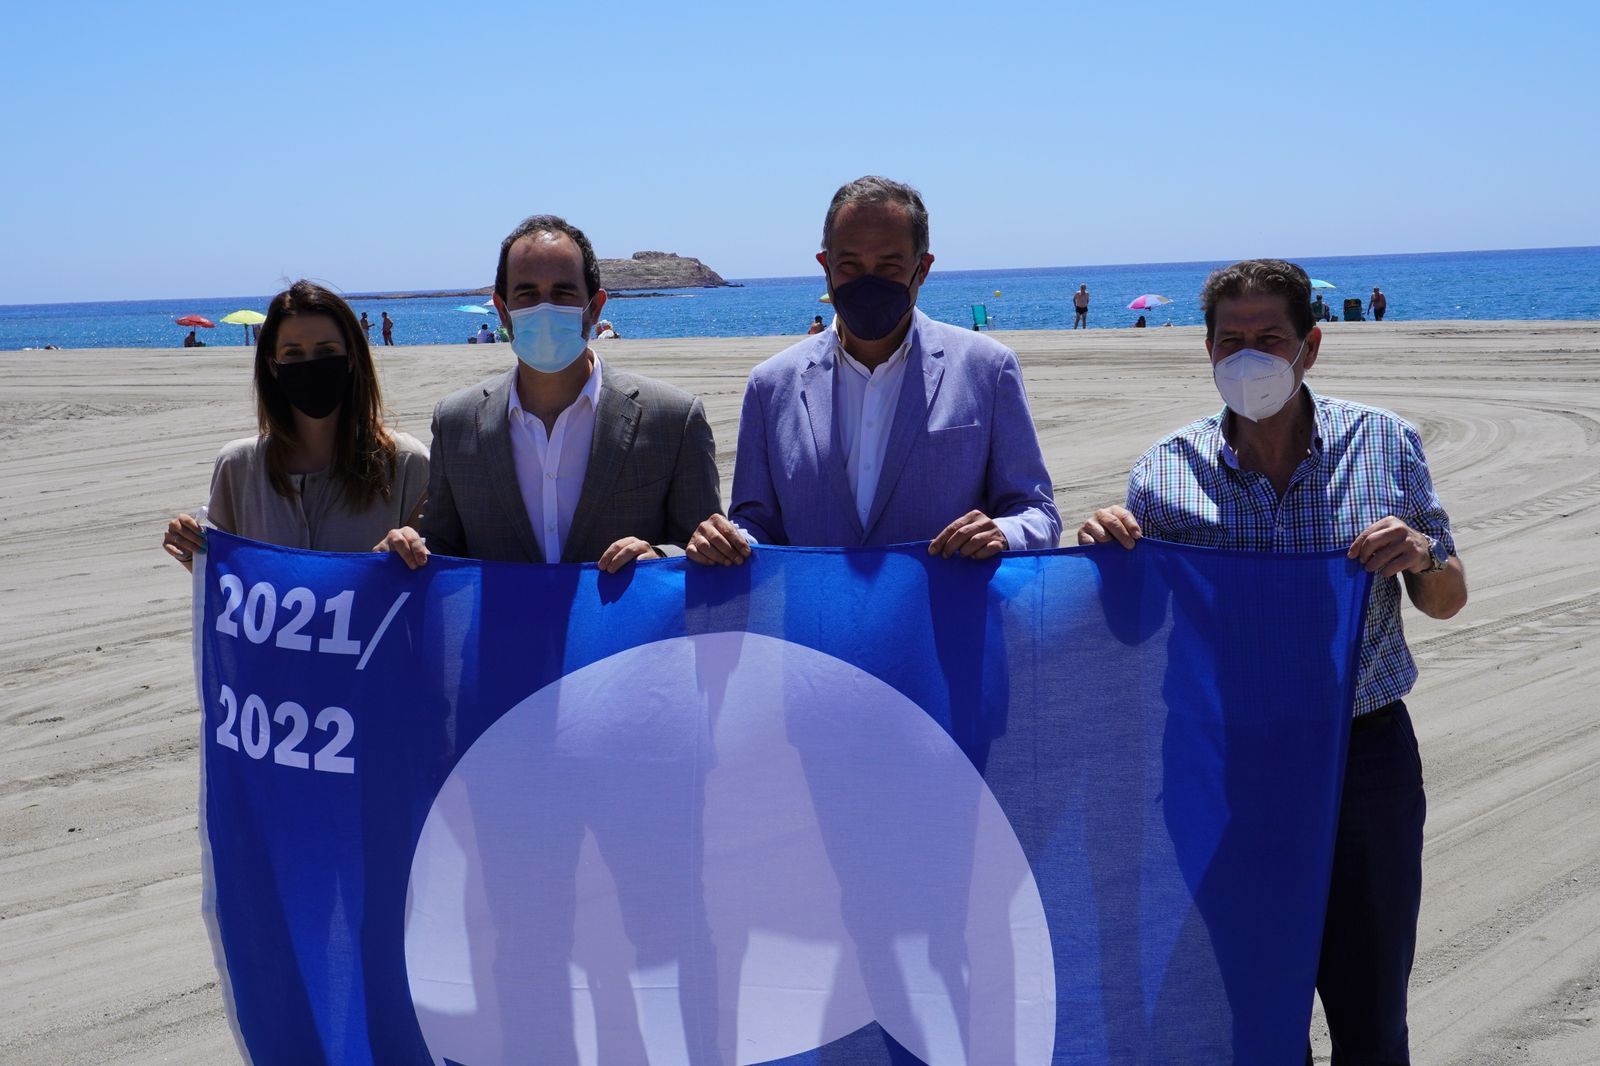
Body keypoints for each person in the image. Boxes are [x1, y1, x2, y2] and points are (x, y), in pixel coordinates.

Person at [1077, 258, 1467, 1064]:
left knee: (1371, 1011)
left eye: (1269, 339)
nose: (1248, 357)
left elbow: (1448, 598)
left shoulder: (1384, 445)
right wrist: (1107, 555)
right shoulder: (1163, 470)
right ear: (1207, 350)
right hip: (1225, 763)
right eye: (1231, 341)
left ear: (1310, 347)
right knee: (1243, 1011)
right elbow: (1131, 631)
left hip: (1363, 758)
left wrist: (1423, 553)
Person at [687, 174, 1060, 566]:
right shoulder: (770, 385)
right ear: (825, 265)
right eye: (849, 265)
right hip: (813, 624)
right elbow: (756, 524)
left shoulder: (988, 368)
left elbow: (1038, 514)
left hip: (945, 623)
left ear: (923, 268)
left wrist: (1003, 533)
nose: (868, 282)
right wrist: (725, 542)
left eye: (888, 266)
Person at [379, 214, 721, 574]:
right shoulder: (456, 422)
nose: (544, 308)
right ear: (503, 311)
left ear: (595, 308)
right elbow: (444, 548)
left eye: (563, 292)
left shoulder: (674, 418)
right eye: (527, 294)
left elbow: (705, 548)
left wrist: (662, 555)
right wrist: (404, 551)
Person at [161, 281, 429, 571]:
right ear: (273, 366)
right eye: (293, 353)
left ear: (352, 358)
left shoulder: (406, 464)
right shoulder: (238, 467)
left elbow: (436, 585)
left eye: (327, 351)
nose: (311, 366)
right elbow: (229, 588)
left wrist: (410, 549)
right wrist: (191, 552)